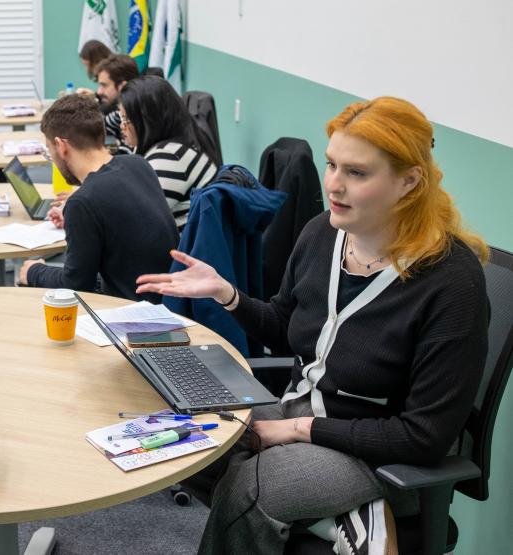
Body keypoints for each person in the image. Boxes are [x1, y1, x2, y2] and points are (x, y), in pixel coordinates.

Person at [136, 97, 490, 554]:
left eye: (357, 173)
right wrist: (228, 294)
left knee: (252, 487)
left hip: (373, 453)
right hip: (295, 410)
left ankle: (346, 510)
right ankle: (332, 519)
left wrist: (299, 431)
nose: (334, 185)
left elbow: (422, 437)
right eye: (331, 165)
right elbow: (287, 327)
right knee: (189, 435)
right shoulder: (323, 233)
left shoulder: (451, 282)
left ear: (409, 181)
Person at [18, 94, 178, 303]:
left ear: (61, 146)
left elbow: (75, 285)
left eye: (49, 152)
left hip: (135, 314)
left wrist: (34, 271)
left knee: (29, 289)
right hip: (172, 300)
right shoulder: (137, 164)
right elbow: (122, 222)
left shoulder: (82, 202)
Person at [119, 75, 218, 228]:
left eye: (127, 120)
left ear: (149, 120)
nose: (122, 126)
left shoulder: (170, 157)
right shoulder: (176, 143)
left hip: (182, 249)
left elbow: (134, 219)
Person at [93, 54, 139, 153]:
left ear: (122, 86)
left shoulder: (129, 117)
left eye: (104, 85)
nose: (99, 92)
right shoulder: (114, 115)